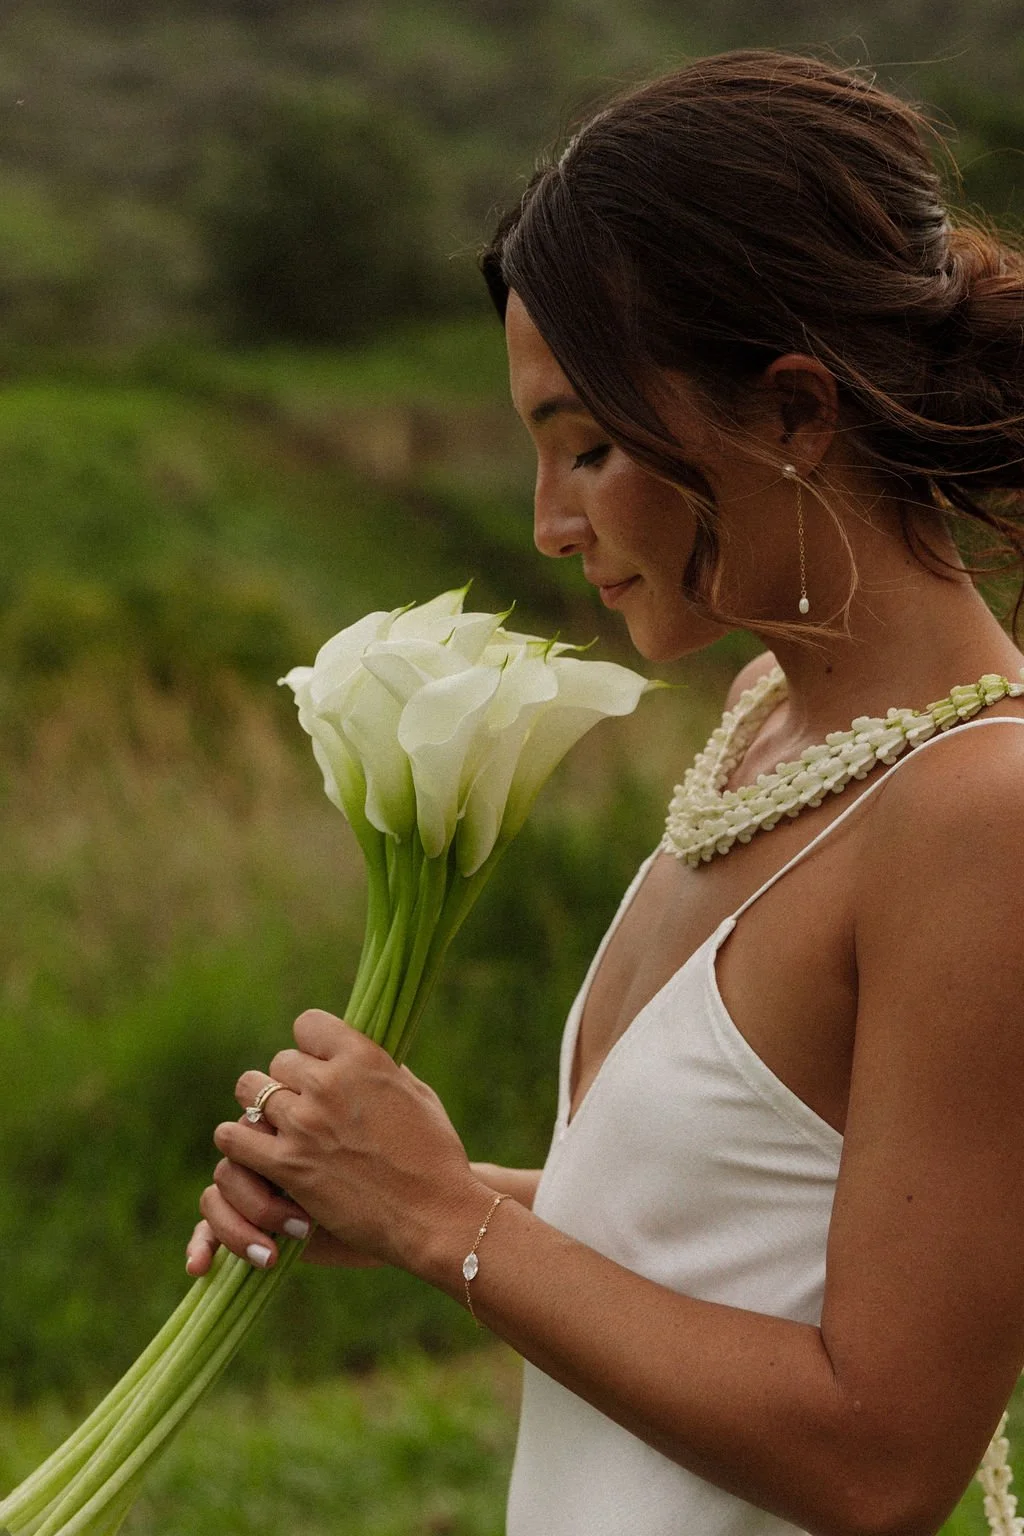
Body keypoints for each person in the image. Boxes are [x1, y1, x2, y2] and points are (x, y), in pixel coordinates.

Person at [185, 50, 1024, 1536]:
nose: (549, 525)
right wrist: (386, 1194)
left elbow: (887, 1458)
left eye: (589, 444)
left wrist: (448, 1222)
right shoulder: (773, 719)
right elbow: (722, 1243)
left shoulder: (983, 812)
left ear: (792, 412)